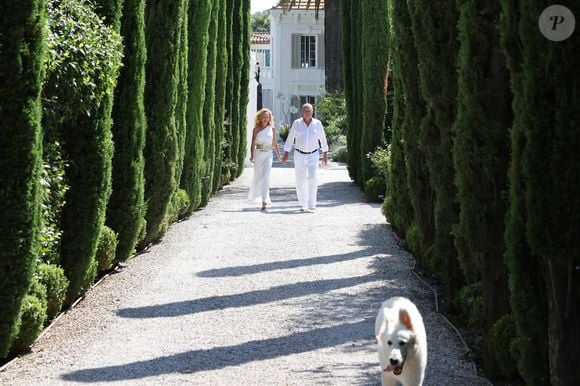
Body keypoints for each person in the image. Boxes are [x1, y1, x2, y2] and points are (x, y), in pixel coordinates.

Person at [281, 103, 329, 212]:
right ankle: (303, 204)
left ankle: (312, 203)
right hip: (299, 154)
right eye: (306, 111)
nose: (308, 112)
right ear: (302, 112)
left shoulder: (318, 124)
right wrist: (286, 153)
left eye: (310, 110)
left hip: (314, 154)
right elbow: (290, 138)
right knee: (300, 179)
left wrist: (325, 154)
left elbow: (323, 138)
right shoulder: (297, 123)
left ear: (313, 112)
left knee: (313, 177)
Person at [247, 108, 282, 210]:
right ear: (260, 118)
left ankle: (264, 200)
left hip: (268, 154)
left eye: (267, 117)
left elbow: (274, 143)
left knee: (266, 176)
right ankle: (256, 196)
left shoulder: (272, 129)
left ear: (269, 118)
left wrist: (279, 155)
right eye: (264, 117)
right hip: (258, 154)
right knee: (258, 177)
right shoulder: (256, 129)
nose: (265, 119)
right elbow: (253, 143)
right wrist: (252, 155)